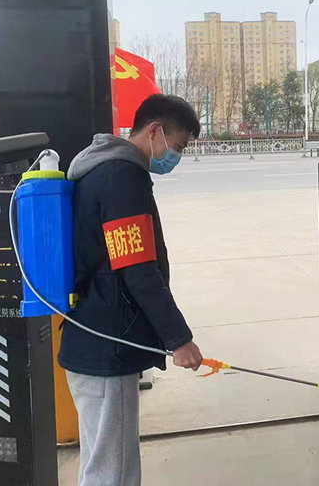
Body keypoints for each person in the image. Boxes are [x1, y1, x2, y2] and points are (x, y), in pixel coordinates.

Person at [58, 94, 204, 486]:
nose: (175, 156)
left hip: (93, 334)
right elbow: (138, 269)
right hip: (108, 345)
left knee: (102, 463)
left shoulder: (101, 169)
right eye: (177, 146)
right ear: (154, 131)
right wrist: (179, 339)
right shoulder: (122, 178)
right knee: (113, 471)